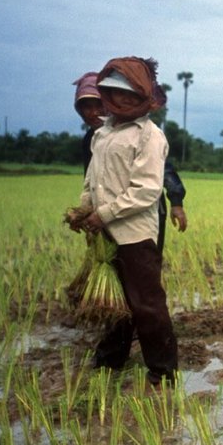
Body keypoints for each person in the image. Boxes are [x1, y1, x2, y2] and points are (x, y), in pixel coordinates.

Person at [68, 57, 178, 387]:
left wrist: (103, 214)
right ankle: (111, 358)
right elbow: (92, 181)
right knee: (115, 300)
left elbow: (146, 191)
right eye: (117, 92)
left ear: (144, 97)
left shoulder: (149, 136)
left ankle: (163, 370)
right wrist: (83, 210)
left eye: (131, 94)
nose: (123, 99)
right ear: (107, 95)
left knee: (146, 303)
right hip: (105, 233)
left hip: (134, 234)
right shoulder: (101, 134)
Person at [74, 72, 188, 252]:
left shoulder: (140, 133)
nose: (94, 112)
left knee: (141, 263)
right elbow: (92, 180)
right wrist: (86, 212)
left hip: (138, 217)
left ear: (108, 102)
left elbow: (162, 171)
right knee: (108, 262)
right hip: (103, 216)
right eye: (87, 107)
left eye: (99, 105)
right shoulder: (93, 138)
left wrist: (176, 202)